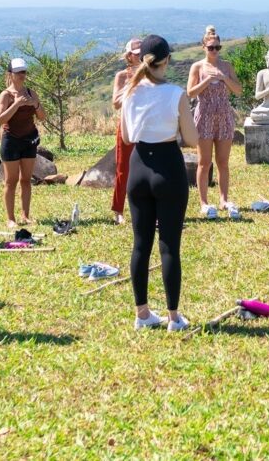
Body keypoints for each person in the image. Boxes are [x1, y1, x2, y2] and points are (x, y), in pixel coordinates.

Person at [121, 34, 198, 331]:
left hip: (138, 166)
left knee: (140, 244)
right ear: (167, 60)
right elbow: (191, 139)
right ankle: (174, 318)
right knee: (169, 246)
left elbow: (128, 138)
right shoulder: (176, 93)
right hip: (168, 167)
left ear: (143, 61)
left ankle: (142, 314)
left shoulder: (130, 92)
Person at [186, 25, 242, 219]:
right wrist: (207, 81)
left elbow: (238, 90)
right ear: (204, 48)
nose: (215, 51)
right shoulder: (197, 67)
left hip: (224, 116)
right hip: (204, 116)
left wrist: (224, 78)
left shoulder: (227, 66)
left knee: (223, 162)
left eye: (217, 47)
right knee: (204, 162)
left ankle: (224, 199)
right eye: (211, 48)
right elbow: (190, 93)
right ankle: (203, 201)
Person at [0, 58, 45, 228]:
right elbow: (0, 119)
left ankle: (25, 215)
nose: (22, 75)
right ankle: (10, 218)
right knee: (11, 181)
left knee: (26, 179)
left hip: (29, 140)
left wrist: (36, 104)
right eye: (18, 72)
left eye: (24, 72)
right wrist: (16, 104)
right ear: (10, 74)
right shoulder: (6, 95)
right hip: (11, 141)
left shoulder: (31, 92)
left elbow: (42, 117)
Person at [110, 39, 142, 224]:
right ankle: (118, 210)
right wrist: (131, 86)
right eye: (136, 53)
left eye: (141, 53)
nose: (139, 56)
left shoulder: (151, 74)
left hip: (145, 125)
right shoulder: (122, 76)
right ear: (129, 55)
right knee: (123, 168)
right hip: (127, 124)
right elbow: (115, 103)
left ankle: (146, 208)